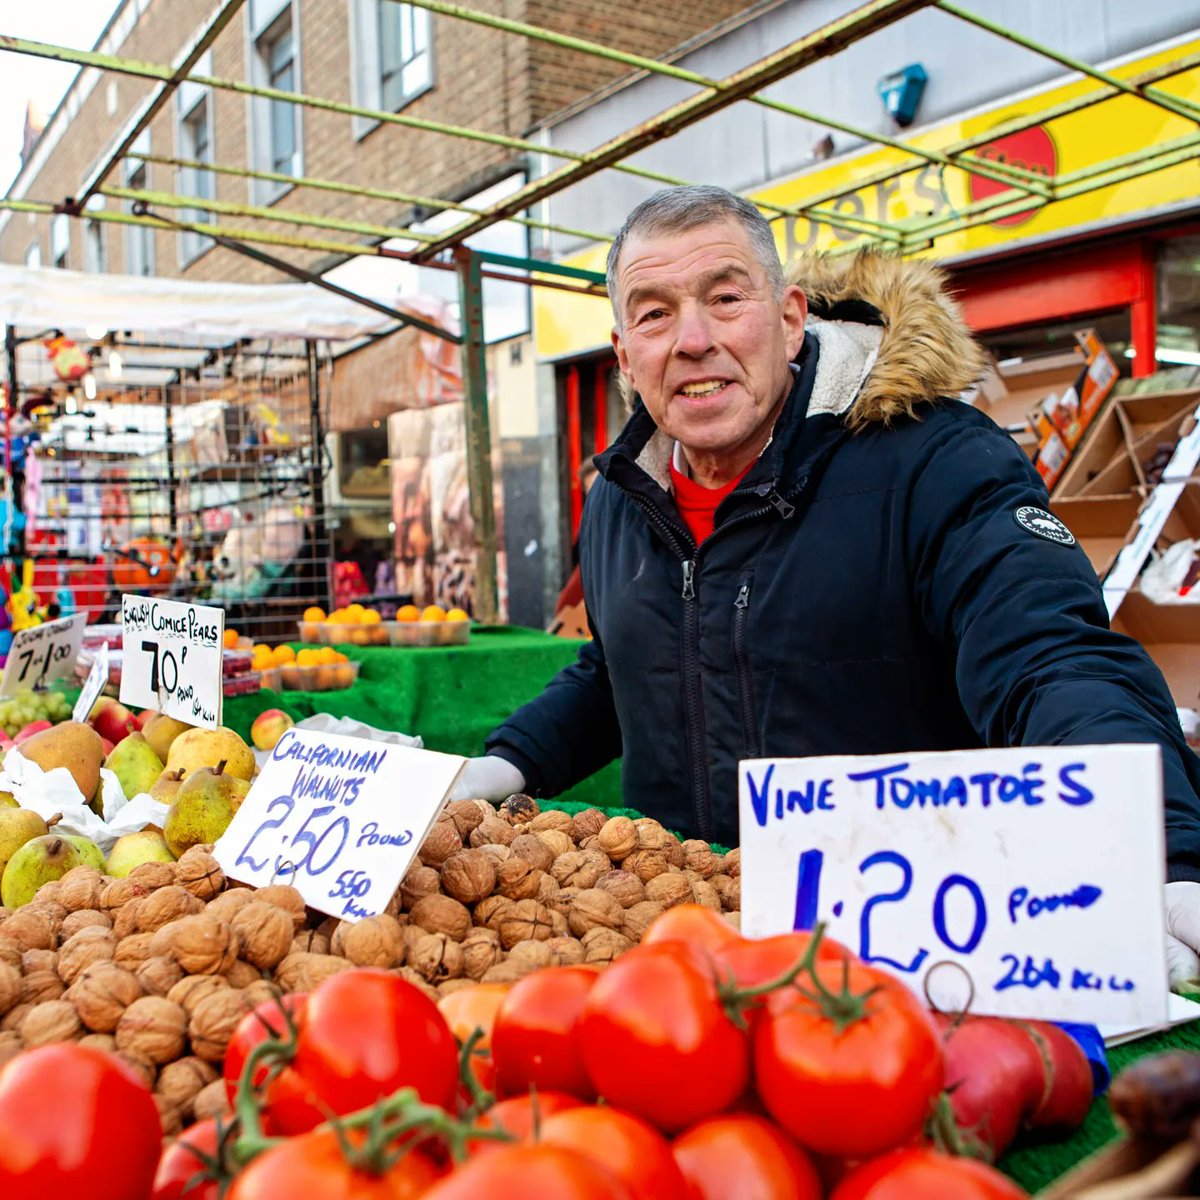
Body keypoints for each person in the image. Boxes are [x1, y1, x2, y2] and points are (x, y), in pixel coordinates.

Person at [452, 184, 1200, 987]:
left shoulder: (936, 463)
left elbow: (1050, 659)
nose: (693, 340)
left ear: (789, 316)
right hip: (676, 951)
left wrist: (1159, 849)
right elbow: (620, 667)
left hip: (903, 954)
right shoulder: (618, 500)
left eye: (725, 297)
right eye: (655, 313)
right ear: (624, 350)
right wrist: (505, 765)